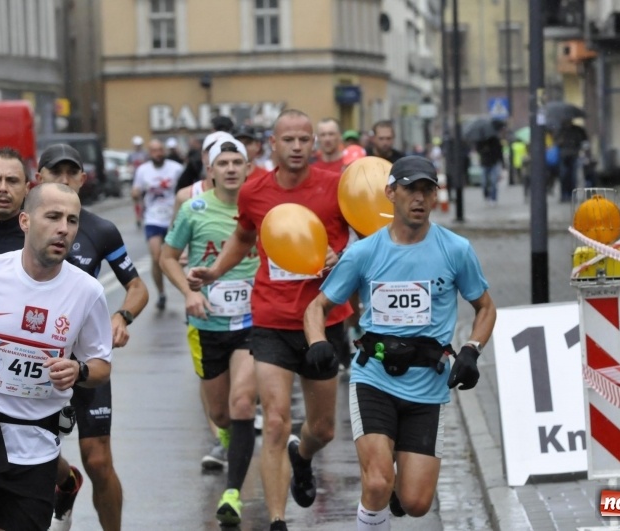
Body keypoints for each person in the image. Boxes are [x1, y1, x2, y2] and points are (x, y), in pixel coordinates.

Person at [303, 155, 496, 530]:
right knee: (376, 482)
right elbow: (317, 306)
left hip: (428, 385)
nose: (419, 198)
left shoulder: (455, 250)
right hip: (374, 377)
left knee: (416, 502)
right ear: (391, 192)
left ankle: (396, 482)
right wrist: (316, 343)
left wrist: (472, 349)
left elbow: (485, 306)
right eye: (411, 188)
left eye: (428, 189)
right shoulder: (363, 253)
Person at [187, 109, 352, 531]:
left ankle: (304, 456)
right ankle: (278, 521)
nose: (296, 147)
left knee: (323, 428)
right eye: (288, 140)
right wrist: (215, 272)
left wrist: (342, 257)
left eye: (304, 139)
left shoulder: (336, 189)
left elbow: (367, 241)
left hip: (325, 319)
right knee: (275, 420)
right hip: (272, 319)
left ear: (313, 143)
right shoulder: (255, 191)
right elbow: (243, 237)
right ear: (272, 145)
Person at [0, 182, 113, 531]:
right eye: (53, 216)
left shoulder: (87, 292)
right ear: (25, 221)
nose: (64, 228)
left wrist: (77, 370)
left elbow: (102, 366)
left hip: (37, 449)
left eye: (72, 219)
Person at [36, 144, 149, 531]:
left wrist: (122, 315)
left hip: (86, 362)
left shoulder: (100, 229)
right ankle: (66, 483)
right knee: (32, 455)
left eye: (72, 173)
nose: (64, 180)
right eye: (55, 172)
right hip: (34, 359)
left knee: (99, 461)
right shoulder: (25, 227)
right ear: (39, 178)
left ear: (83, 180)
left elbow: (137, 286)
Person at [160, 137, 258, 526]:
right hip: (207, 323)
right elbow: (167, 257)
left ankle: (232, 492)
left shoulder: (261, 209)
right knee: (219, 414)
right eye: (224, 163)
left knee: (242, 404)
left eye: (238, 162)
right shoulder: (194, 209)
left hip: (251, 323)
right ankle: (231, 443)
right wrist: (187, 292)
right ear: (211, 171)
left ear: (248, 168)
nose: (231, 168)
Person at [131, 139, 184, 311]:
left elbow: (185, 190)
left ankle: (184, 289)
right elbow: (135, 191)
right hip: (153, 218)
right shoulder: (143, 170)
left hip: (174, 217)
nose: (158, 154)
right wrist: (136, 194)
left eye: (160, 150)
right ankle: (161, 293)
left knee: (178, 259)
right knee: (156, 257)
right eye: (154, 151)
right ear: (149, 153)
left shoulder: (176, 168)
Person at [554, 118, 587, 203]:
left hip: (573, 154)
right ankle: (564, 195)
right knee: (564, 176)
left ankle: (571, 194)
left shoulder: (577, 129)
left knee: (573, 176)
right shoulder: (561, 130)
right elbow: (556, 141)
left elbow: (583, 139)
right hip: (564, 155)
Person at [474, 135, 503, 204]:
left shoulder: (495, 140)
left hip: (493, 163)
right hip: (485, 163)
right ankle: (486, 195)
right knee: (484, 182)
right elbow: (478, 149)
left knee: (493, 181)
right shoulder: (481, 140)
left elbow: (499, 151)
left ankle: (493, 198)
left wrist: (501, 162)